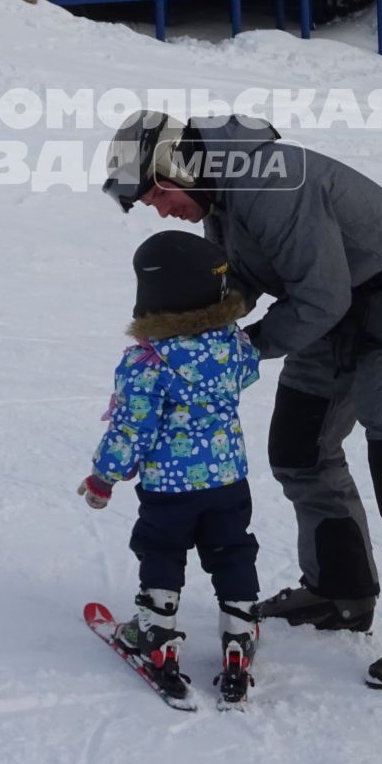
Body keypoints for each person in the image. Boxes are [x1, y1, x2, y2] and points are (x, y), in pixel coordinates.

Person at [101, 112, 382, 690]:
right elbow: (240, 283)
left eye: (158, 193)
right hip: (331, 312)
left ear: (179, 164)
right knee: (299, 452)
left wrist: (242, 351)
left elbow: (321, 293)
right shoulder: (223, 198)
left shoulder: (268, 183)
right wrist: (186, 344)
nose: (159, 208)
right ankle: (341, 592)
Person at [77, 231, 262, 704]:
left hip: (169, 488)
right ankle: (239, 634)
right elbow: (250, 368)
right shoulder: (232, 347)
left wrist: (104, 477)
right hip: (227, 480)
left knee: (162, 550)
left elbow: (130, 430)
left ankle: (155, 637)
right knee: (231, 550)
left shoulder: (147, 362)